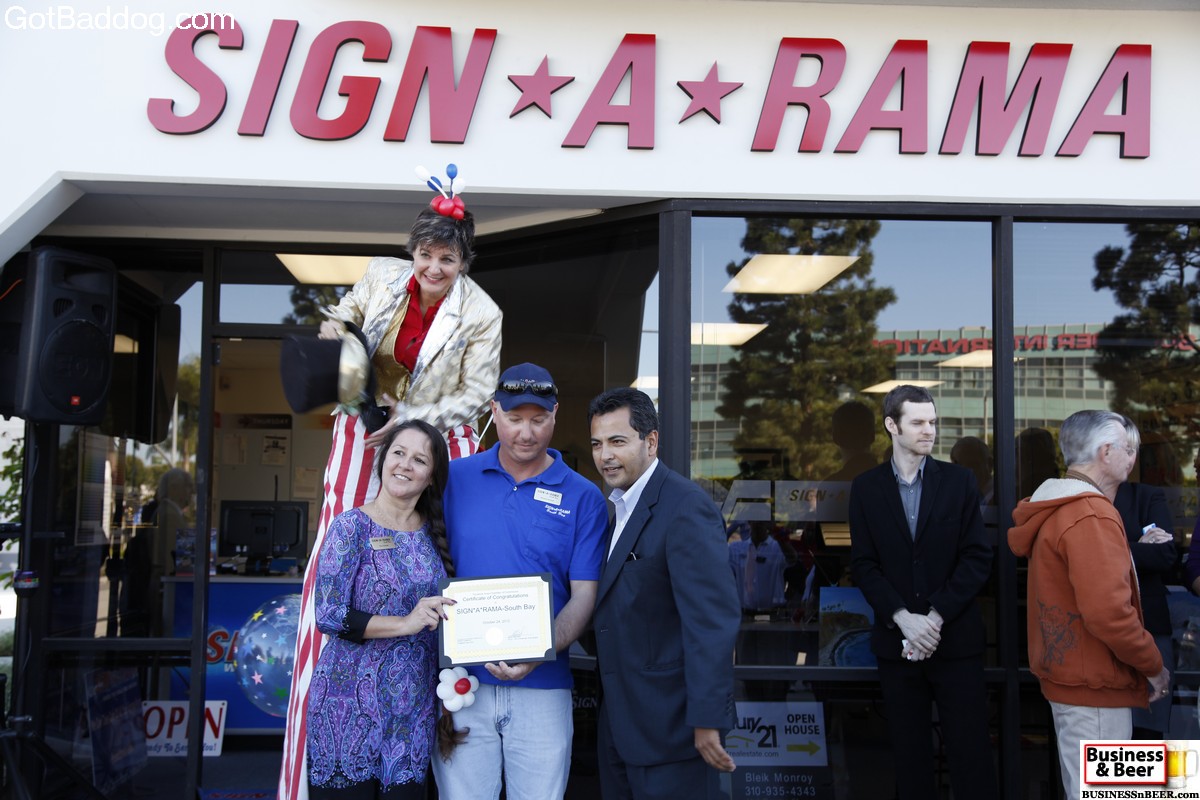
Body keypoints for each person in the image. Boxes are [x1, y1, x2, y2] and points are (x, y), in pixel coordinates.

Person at [280, 182, 503, 800]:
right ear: (413, 252)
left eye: (447, 259)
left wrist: (412, 422)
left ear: (464, 263)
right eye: (425, 255)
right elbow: (348, 314)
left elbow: (476, 394)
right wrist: (336, 326)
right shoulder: (380, 274)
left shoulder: (483, 313)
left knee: (443, 552)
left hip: (433, 434)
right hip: (362, 427)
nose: (433, 268)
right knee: (347, 542)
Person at [431, 363, 607, 800]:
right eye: (513, 418)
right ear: (494, 411)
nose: (526, 433)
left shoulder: (584, 496)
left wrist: (538, 650)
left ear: (555, 415)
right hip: (462, 685)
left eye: (538, 419)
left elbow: (585, 595)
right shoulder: (454, 479)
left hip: (544, 689)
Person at [1008, 410, 1170, 800]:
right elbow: (1109, 614)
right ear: (1105, 452)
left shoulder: (1064, 506)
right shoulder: (1089, 514)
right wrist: (1154, 666)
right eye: (1127, 448)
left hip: (1077, 682)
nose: (1133, 457)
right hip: (1095, 686)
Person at [588, 387, 740, 799]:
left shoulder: (685, 507)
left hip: (675, 732)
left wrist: (707, 719)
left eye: (617, 441)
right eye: (597, 444)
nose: (605, 455)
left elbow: (712, 623)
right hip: (620, 727)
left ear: (651, 441)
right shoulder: (618, 510)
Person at [848, 384, 997, 800]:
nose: (929, 430)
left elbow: (976, 557)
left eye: (932, 422)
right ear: (891, 425)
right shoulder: (866, 488)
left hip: (955, 642)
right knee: (909, 760)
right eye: (918, 422)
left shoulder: (959, 481)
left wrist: (932, 618)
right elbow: (864, 565)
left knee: (971, 758)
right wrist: (903, 619)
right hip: (897, 647)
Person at [305, 419, 455, 799]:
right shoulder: (350, 527)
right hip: (346, 706)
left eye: (419, 459)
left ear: (431, 477)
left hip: (412, 709)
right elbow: (328, 613)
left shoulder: (435, 534)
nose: (405, 464)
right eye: (398, 453)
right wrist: (405, 623)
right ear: (383, 460)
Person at [1114, 480, 1176, 738]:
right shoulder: (1080, 498)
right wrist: (1137, 547)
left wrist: (1118, 551)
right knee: (1107, 735)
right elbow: (1083, 554)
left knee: (1147, 732)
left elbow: (1165, 555)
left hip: (1149, 626)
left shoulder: (1146, 495)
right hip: (1099, 631)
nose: (1130, 461)